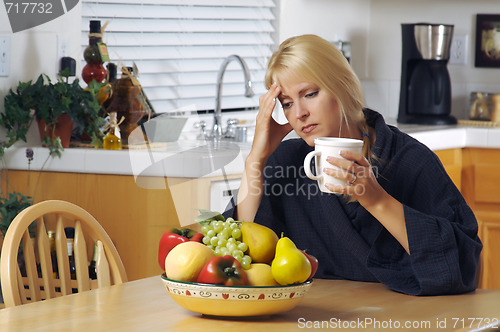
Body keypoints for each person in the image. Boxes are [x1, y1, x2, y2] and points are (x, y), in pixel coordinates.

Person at [223, 34, 482, 296]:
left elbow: (463, 268)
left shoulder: (411, 160)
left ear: (342, 86)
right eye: (287, 104)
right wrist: (255, 160)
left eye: (310, 94)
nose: (299, 113)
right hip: (313, 315)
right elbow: (243, 257)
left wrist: (376, 201)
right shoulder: (287, 161)